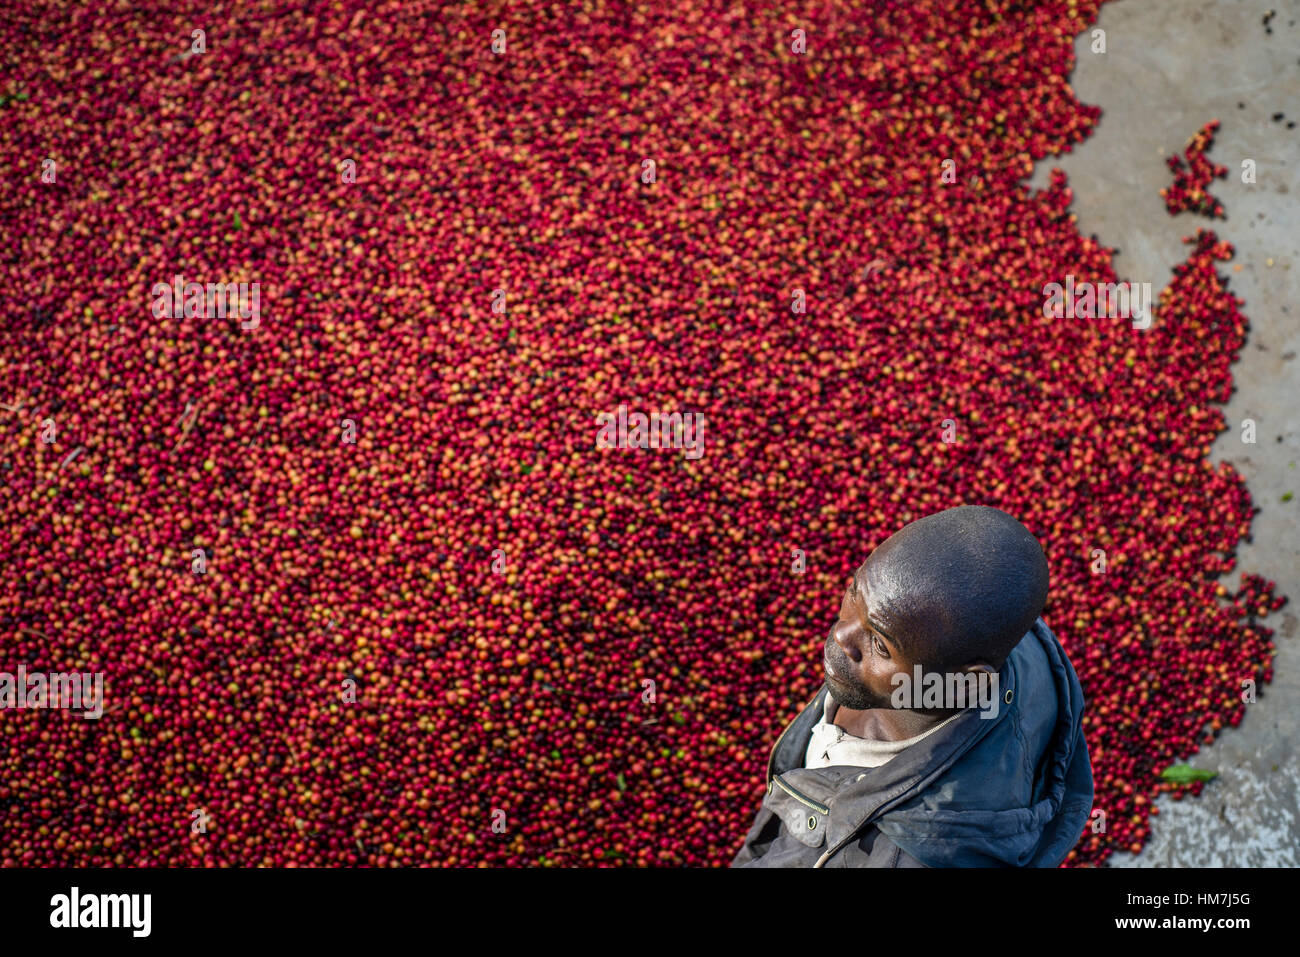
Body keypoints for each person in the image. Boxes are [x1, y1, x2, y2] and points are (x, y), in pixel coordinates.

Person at [731, 505, 1093, 867]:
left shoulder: (895, 855)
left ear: (965, 683)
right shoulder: (997, 633)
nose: (841, 635)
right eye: (853, 592)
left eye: (880, 645)